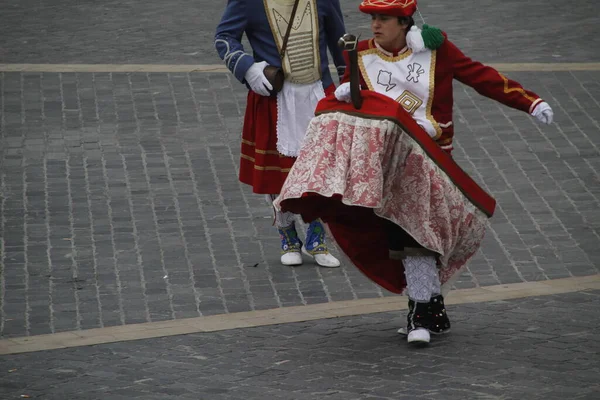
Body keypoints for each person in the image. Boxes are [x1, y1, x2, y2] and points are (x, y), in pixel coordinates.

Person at [274, 0, 554, 345]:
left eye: (384, 19)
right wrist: (342, 93)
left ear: (405, 23)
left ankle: (421, 312)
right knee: (401, 230)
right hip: (384, 160)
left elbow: (481, 77)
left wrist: (529, 101)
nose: (376, 25)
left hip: (429, 155)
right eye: (373, 19)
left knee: (419, 231)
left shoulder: (436, 49)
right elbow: (346, 103)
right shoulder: (360, 53)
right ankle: (429, 309)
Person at [214, 0, 348, 268]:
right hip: (275, 97)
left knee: (324, 170)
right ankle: (288, 235)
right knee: (278, 175)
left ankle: (317, 236)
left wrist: (347, 80)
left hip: (318, 93)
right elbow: (225, 37)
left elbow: (338, 39)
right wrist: (248, 68)